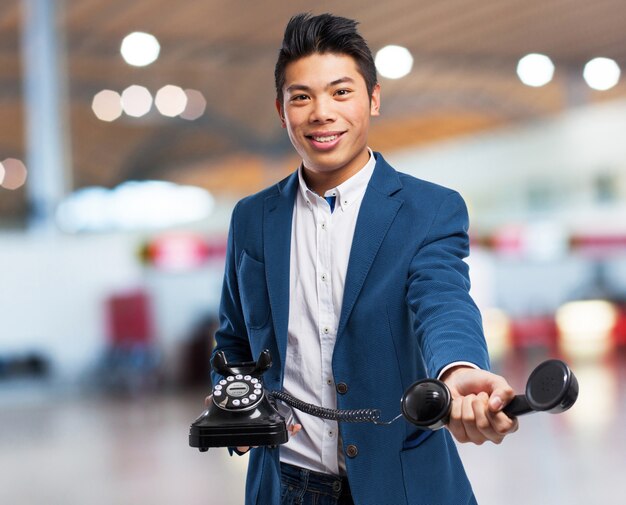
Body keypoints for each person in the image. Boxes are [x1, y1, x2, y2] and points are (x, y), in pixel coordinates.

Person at [211, 12, 518, 505]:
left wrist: (458, 372)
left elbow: (442, 301)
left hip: (402, 484)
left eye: (340, 92)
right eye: (301, 97)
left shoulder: (430, 209)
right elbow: (234, 341)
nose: (321, 113)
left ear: (373, 99)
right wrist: (234, 407)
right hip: (285, 486)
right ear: (281, 109)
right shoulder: (251, 218)